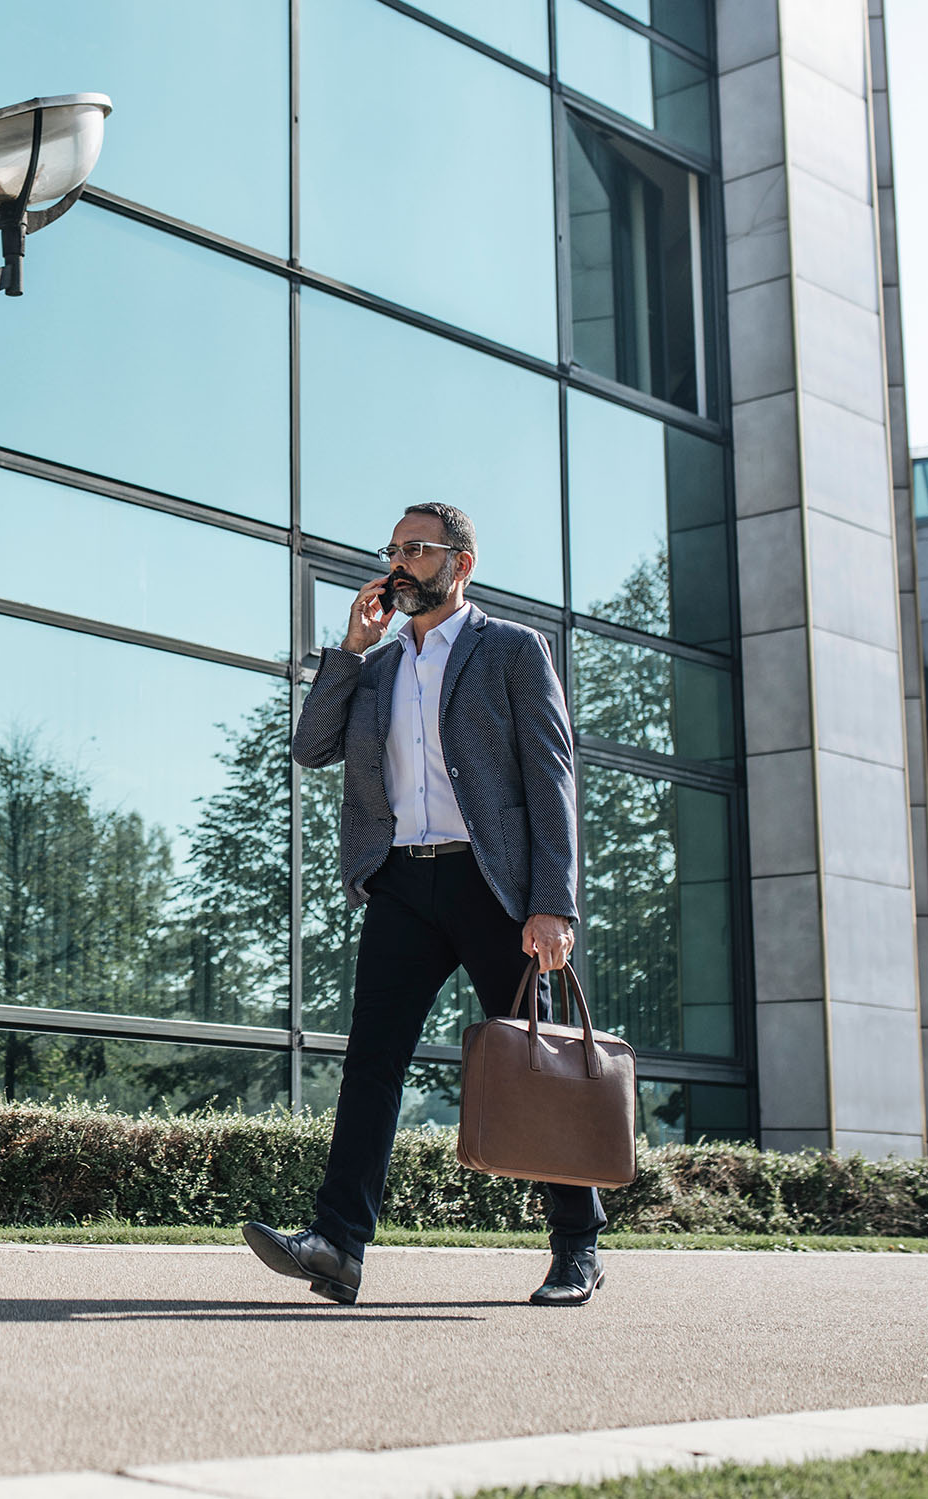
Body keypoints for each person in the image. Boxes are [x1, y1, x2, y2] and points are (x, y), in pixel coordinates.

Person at [243, 503, 606, 1308]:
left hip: (495, 885)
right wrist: (348, 649)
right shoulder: (374, 668)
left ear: (461, 563)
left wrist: (554, 901)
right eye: (394, 549)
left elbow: (552, 779)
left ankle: (577, 1244)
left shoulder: (511, 649)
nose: (400, 562)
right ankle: (338, 1245)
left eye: (418, 548)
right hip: (402, 879)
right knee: (373, 1061)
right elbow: (311, 748)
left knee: (537, 1065)